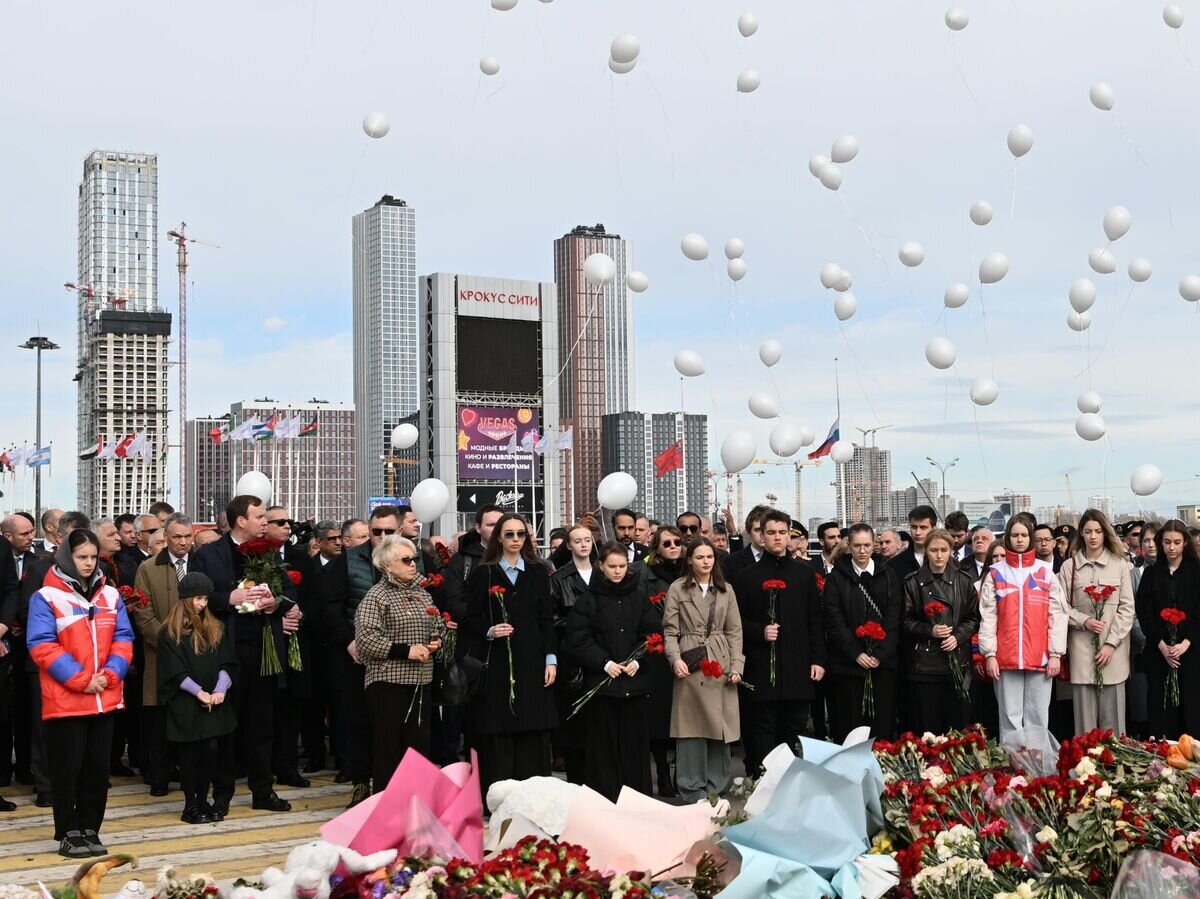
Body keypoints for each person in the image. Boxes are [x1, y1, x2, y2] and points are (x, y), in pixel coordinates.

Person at [27, 530, 133, 857]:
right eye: (81, 557)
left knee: (97, 769)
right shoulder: (46, 597)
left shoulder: (110, 596)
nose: (88, 563)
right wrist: (82, 679)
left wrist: (112, 674)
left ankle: (90, 828)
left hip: (104, 697)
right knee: (67, 768)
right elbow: (42, 645)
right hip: (67, 700)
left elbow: (124, 638)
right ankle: (68, 830)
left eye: (92, 557)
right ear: (65, 557)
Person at [193, 495, 299, 815]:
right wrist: (230, 597)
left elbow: (289, 591)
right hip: (227, 650)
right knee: (227, 726)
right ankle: (222, 793)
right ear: (241, 520)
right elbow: (198, 596)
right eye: (259, 516)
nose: (264, 521)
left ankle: (262, 791)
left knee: (262, 725)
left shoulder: (270, 552)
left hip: (265, 648)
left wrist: (276, 602)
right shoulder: (210, 555)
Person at [462, 513, 557, 796]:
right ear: (499, 538)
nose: (516, 540)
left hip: (532, 659)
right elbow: (470, 617)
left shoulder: (539, 571)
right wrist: (489, 630)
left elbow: (546, 619)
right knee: (500, 727)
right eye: (509, 534)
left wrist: (551, 658)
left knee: (532, 726)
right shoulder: (484, 572)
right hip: (499, 662)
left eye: (521, 534)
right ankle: (498, 796)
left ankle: (533, 797)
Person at [732, 509, 825, 775]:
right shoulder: (746, 576)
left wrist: (818, 659)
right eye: (771, 532)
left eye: (782, 533)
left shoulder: (804, 574)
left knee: (795, 724)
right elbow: (737, 623)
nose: (777, 538)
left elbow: (814, 620)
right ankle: (761, 778)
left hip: (797, 664)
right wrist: (760, 631)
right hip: (762, 664)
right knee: (763, 725)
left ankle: (793, 779)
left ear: (790, 536)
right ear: (761, 535)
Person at [566, 542, 659, 801]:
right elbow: (577, 638)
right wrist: (604, 662)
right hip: (603, 687)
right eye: (612, 567)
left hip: (634, 684)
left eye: (622, 566)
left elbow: (652, 633)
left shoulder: (638, 597)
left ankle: (637, 801)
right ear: (601, 567)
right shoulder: (589, 599)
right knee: (602, 749)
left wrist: (638, 660)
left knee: (635, 748)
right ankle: (605, 800)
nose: (618, 571)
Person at [322, 505, 403, 804]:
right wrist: (349, 641)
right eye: (376, 531)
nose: (381, 537)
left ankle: (397, 786)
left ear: (400, 530)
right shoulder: (346, 562)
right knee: (358, 720)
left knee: (396, 724)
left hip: (401, 657)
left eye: (388, 531)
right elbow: (331, 607)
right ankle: (359, 782)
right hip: (358, 656)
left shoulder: (415, 558)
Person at [354, 535, 444, 792]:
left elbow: (438, 625)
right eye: (406, 560)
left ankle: (415, 802)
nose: (413, 564)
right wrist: (406, 650)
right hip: (388, 682)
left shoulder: (422, 594)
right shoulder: (377, 596)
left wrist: (438, 640)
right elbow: (367, 640)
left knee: (418, 749)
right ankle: (387, 803)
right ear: (387, 565)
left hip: (420, 681)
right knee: (389, 749)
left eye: (414, 558)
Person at [663, 537, 743, 801]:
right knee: (690, 725)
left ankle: (716, 785)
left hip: (719, 660)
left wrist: (736, 665)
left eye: (710, 557)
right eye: (700, 557)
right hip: (691, 658)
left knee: (720, 724)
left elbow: (735, 631)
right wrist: (675, 659)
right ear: (689, 560)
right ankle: (691, 785)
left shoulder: (726, 590)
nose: (706, 562)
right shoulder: (678, 589)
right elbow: (670, 630)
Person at [978, 513, 1070, 742]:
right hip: (1006, 657)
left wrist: (1056, 654)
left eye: (1024, 535)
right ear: (1008, 537)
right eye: (1015, 535)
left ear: (1031, 537)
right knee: (1010, 717)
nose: (1020, 540)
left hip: (1040, 657)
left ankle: (1037, 771)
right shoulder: (996, 572)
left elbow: (1057, 614)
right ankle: (1014, 769)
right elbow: (988, 616)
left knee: (1038, 717)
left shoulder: (1045, 572)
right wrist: (989, 654)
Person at [156, 572, 237, 824]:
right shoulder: (169, 633)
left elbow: (227, 661)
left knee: (211, 750)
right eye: (198, 598)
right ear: (185, 599)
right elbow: (174, 671)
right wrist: (199, 692)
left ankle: (204, 799)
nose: (202, 604)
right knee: (190, 755)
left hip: (214, 701)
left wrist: (220, 690)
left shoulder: (216, 628)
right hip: (187, 702)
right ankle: (191, 803)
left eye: (205, 599)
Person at [132, 512, 196, 796]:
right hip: (159, 656)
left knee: (188, 717)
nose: (183, 542)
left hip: (196, 655)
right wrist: (169, 643)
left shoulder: (200, 563)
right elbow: (142, 612)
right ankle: (159, 777)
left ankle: (188, 774)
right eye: (177, 537)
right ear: (165, 538)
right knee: (158, 721)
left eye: (187, 537)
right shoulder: (147, 568)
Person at [823, 523, 904, 741]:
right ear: (848, 545)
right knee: (850, 725)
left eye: (867, 545)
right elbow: (834, 620)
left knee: (882, 726)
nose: (862, 550)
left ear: (874, 545)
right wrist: (856, 653)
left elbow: (894, 618)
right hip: (848, 665)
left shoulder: (888, 575)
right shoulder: (836, 578)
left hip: (882, 665)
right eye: (857, 545)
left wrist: (879, 654)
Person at [1059, 509, 1135, 735]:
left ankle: (1114, 767)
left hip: (1114, 653)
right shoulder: (1068, 567)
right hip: (1082, 654)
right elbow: (1060, 608)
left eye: (1098, 531)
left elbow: (1127, 607)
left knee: (1115, 726)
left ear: (1105, 533)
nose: (1093, 536)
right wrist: (1084, 621)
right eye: (1088, 531)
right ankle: (1085, 767)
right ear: (1081, 533)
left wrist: (1111, 643)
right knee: (1085, 728)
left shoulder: (1120, 564)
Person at [902, 528, 980, 735]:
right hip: (924, 664)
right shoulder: (912, 582)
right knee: (928, 727)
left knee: (957, 726)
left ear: (950, 551)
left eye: (943, 550)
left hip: (957, 659)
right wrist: (929, 630)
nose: (939, 555)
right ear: (926, 551)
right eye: (934, 550)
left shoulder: (963, 581)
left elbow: (973, 617)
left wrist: (958, 637)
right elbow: (904, 620)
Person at [1138, 520, 1200, 738]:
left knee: (1191, 708)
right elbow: (1145, 613)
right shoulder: (1151, 574)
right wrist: (1162, 645)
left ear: (1185, 543)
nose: (1171, 547)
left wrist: (1186, 642)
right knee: (1161, 709)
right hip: (1159, 653)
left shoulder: (1196, 572)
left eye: (1176, 542)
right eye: (1167, 542)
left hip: (1191, 653)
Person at [549, 523, 597, 784]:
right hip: (573, 659)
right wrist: (581, 623)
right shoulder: (559, 579)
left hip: (603, 656)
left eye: (587, 539)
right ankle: (576, 777)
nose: (583, 544)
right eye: (577, 540)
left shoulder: (603, 573)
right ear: (568, 545)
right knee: (574, 723)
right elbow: (552, 618)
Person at [642, 526, 685, 796]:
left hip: (687, 650)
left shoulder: (689, 572)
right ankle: (662, 771)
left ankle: (682, 770)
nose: (672, 546)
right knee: (659, 718)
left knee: (685, 715)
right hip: (656, 653)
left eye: (677, 541)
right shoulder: (642, 576)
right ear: (656, 547)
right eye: (666, 542)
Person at [891, 506, 938, 580]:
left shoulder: (946, 562)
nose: (918, 532)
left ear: (933, 529)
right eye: (914, 527)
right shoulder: (894, 564)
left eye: (923, 528)